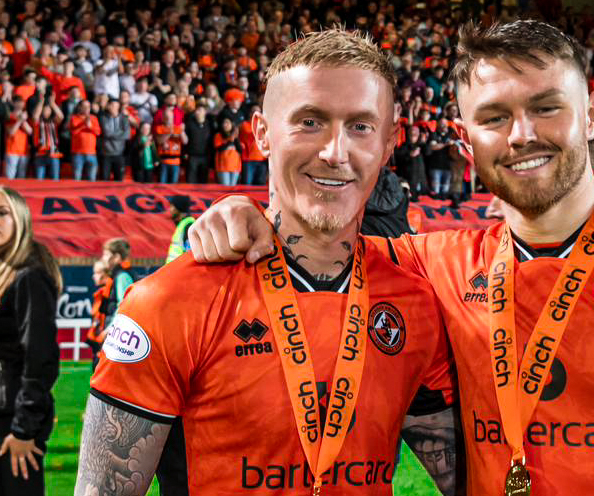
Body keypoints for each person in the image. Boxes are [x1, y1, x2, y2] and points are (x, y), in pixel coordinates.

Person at [191, 20, 594, 495]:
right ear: (465, 138)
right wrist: (241, 212)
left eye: (546, 107)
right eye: (494, 117)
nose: (521, 135)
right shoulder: (431, 263)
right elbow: (318, 240)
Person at [76, 30, 459, 496]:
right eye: (310, 122)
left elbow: (477, 476)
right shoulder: (168, 301)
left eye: (360, 126)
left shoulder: (413, 303)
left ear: (388, 142)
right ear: (261, 133)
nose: (335, 152)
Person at [0, 186, 62, 494]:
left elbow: (40, 358)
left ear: (21, 219)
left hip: (13, 424)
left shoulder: (29, 277)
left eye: (2, 213)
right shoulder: (7, 272)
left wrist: (23, 429)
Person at [98, 98, 130, 181]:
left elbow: (127, 135)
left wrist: (112, 134)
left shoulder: (124, 118)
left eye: (114, 105)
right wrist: (120, 133)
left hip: (119, 153)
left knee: (119, 180)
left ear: (118, 107)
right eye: (111, 105)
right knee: (104, 179)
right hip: (106, 153)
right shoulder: (103, 118)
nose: (112, 107)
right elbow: (106, 133)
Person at [70, 100, 101, 181]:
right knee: (77, 179)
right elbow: (73, 132)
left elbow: (98, 132)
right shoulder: (74, 118)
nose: (87, 108)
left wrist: (90, 126)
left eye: (88, 106)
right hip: (78, 153)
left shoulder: (94, 118)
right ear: (80, 107)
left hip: (91, 153)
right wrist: (84, 124)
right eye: (84, 106)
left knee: (92, 179)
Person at [165, 195, 194, 264]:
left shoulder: (188, 225)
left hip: (179, 269)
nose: (170, 209)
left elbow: (190, 252)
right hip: (174, 268)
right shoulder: (183, 223)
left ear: (179, 208)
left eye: (172, 206)